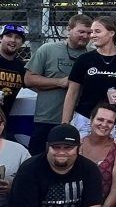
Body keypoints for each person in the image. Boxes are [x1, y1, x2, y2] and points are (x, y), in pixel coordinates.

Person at [60, 15, 116, 142]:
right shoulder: (84, 59)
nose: (92, 35)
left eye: (97, 31)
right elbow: (72, 92)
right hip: (86, 118)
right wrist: (65, 123)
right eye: (92, 32)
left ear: (111, 33)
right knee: (84, 159)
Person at [26, 13, 91, 149]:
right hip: (47, 117)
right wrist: (59, 82)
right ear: (69, 29)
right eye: (81, 32)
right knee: (38, 157)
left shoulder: (92, 55)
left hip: (81, 120)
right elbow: (29, 79)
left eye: (88, 33)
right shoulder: (48, 49)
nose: (85, 36)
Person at [0, 22, 29, 104]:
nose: (13, 40)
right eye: (9, 36)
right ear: (0, 39)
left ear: (22, 42)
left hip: (7, 114)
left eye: (17, 37)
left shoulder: (21, 67)